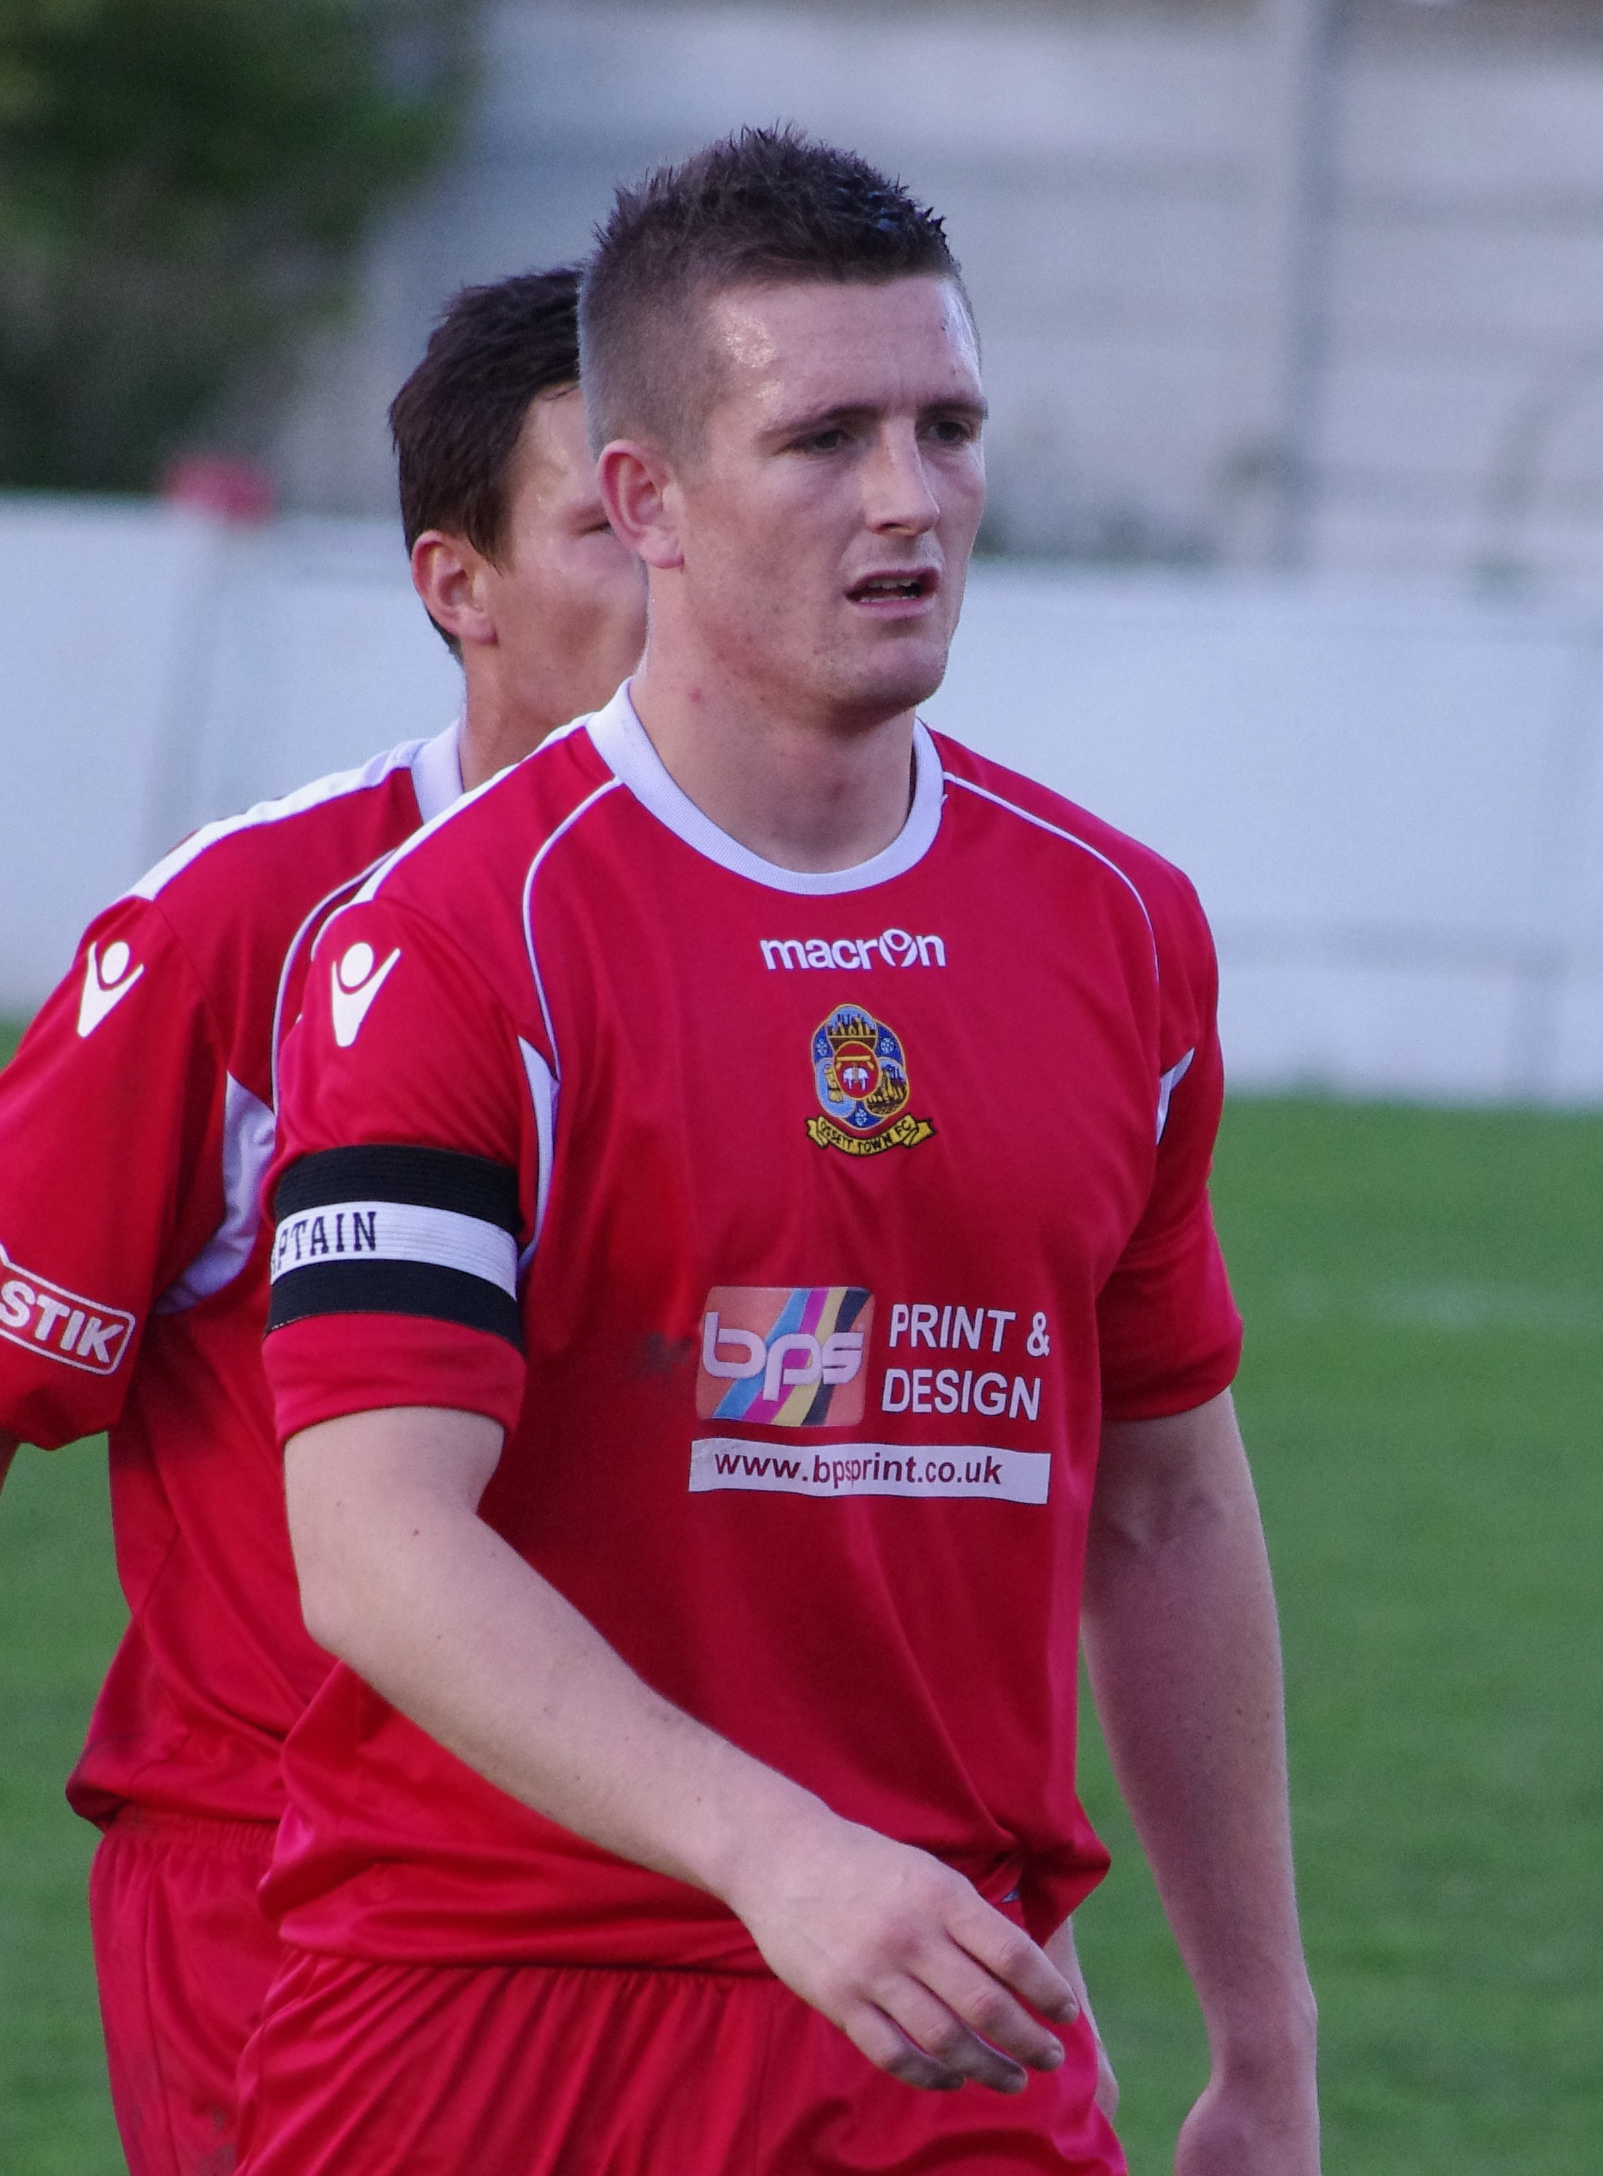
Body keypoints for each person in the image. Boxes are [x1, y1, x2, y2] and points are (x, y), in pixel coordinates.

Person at [244, 130, 1319, 2175]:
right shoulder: (458, 940)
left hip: (945, 2024)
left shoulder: (1117, 926)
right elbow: (377, 1540)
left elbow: (1169, 1501)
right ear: (641, 500)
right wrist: (781, 1853)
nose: (909, 496)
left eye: (947, 426)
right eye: (824, 437)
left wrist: (1263, 2044)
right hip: (493, 2018)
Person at [0, 266, 646, 2176]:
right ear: (461, 588)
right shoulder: (244, 931)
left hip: (685, 1888)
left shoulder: (843, 932)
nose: (679, 573)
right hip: (284, 1882)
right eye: (612, 520)